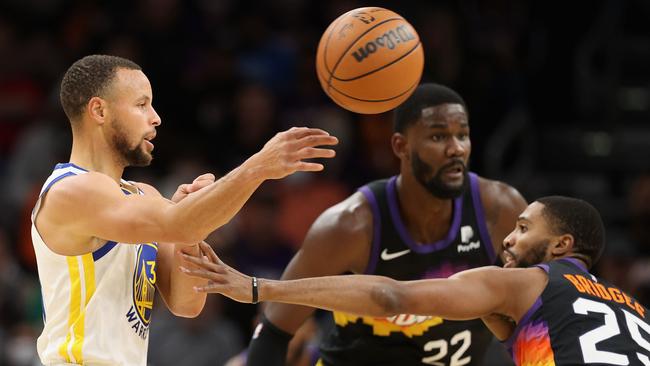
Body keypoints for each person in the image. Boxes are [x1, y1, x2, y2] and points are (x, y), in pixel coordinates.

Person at [31, 54, 337, 366]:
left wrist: (186, 234)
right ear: (99, 110)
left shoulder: (141, 195)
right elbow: (178, 224)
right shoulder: (72, 190)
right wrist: (258, 167)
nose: (155, 117)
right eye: (141, 104)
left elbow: (186, 304)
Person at [242, 83, 528, 365]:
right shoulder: (350, 225)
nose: (455, 148)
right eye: (439, 137)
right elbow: (273, 330)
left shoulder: (499, 209)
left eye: (462, 135)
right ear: (400, 146)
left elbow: (545, 305)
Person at [182, 196, 650, 365]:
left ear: (562, 246)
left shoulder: (530, 283)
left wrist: (260, 289)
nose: (508, 239)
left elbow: (389, 295)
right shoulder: (633, 310)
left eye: (525, 229)